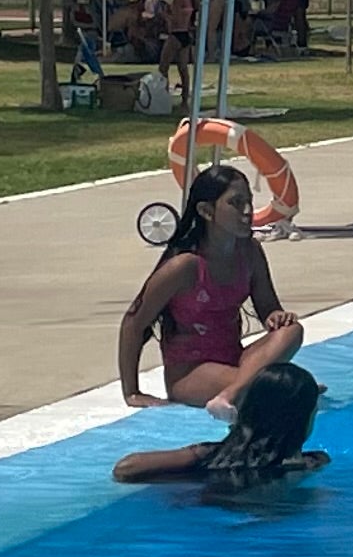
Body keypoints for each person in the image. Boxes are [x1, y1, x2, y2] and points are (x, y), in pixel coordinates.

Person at [117, 161, 305, 411]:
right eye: (235, 203)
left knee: (292, 331)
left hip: (237, 359)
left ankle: (238, 390)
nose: (248, 211)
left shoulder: (249, 252)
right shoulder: (184, 267)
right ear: (206, 211)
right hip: (191, 374)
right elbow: (133, 322)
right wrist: (132, 392)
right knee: (275, 389)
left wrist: (277, 318)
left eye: (249, 201)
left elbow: (269, 308)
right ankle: (244, 392)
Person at [112, 358, 329, 489]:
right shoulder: (314, 463)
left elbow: (126, 468)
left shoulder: (214, 458)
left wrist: (190, 476)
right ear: (303, 420)